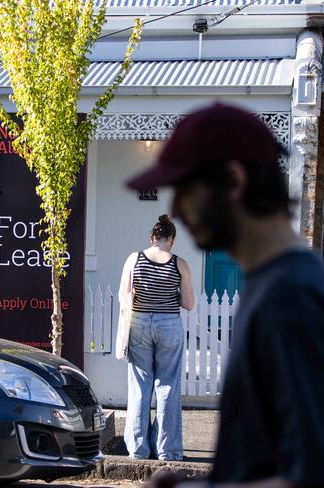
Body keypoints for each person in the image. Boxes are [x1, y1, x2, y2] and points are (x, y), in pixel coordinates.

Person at [126, 103, 324, 488]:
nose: (176, 211)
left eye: (184, 190)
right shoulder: (271, 284)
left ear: (233, 181)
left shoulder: (290, 297)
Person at [119, 214, 194, 462]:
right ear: (171, 239)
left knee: (140, 387)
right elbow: (188, 303)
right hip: (169, 324)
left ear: (152, 237)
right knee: (168, 386)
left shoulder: (134, 259)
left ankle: (139, 450)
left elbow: (124, 296)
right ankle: (168, 450)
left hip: (139, 322)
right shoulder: (179, 264)